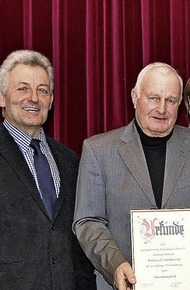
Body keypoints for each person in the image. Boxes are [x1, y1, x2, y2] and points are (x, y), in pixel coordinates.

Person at [73, 62, 190, 290]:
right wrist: (115, 266)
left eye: (171, 100)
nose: (162, 109)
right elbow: (88, 221)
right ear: (135, 97)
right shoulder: (98, 150)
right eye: (153, 98)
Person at [0, 49, 95, 289]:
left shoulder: (69, 160)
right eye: (22, 88)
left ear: (51, 100)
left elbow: (77, 243)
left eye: (42, 90)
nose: (33, 98)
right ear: (2, 97)